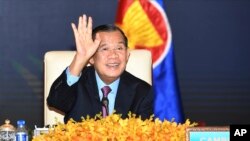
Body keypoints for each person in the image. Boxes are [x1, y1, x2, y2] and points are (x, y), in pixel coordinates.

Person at [47, 14, 153, 123]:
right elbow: (56, 102)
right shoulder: (77, 83)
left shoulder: (143, 92)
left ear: (127, 55)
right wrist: (80, 59)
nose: (113, 55)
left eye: (119, 48)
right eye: (105, 49)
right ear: (91, 58)